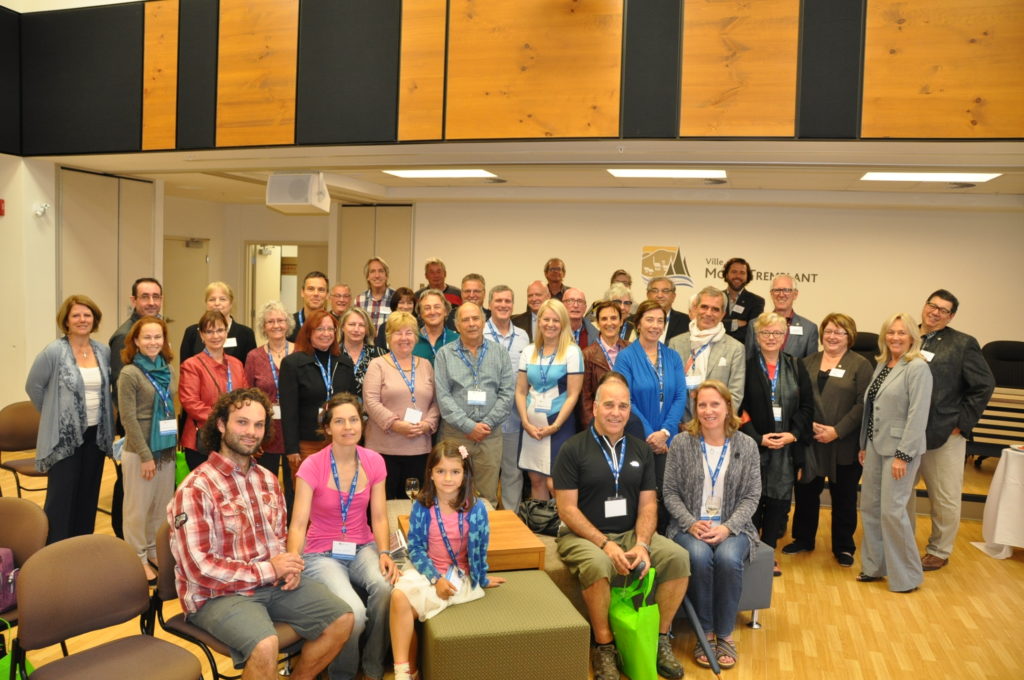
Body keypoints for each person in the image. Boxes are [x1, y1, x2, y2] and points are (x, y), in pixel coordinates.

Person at [169, 388, 353, 679]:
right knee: (266, 645)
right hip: (216, 595)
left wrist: (290, 567)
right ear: (220, 425)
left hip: (273, 584)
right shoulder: (196, 488)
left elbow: (279, 538)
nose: (251, 432)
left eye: (258, 425)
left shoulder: (267, 479)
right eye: (242, 422)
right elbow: (199, 568)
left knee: (342, 618)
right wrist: (269, 569)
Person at [553, 373, 688, 680]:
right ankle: (604, 647)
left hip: (629, 533)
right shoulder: (573, 449)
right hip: (581, 536)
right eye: (609, 405)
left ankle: (659, 639)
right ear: (595, 407)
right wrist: (604, 543)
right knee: (600, 565)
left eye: (623, 406)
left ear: (630, 411)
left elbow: (648, 505)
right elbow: (567, 509)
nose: (616, 412)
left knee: (678, 558)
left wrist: (641, 543)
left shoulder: (640, 449)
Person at [287, 393, 399, 680]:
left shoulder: (374, 461)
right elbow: (298, 524)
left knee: (386, 588)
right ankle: (343, 674)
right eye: (339, 421)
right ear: (328, 428)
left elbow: (378, 517)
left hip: (362, 546)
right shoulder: (312, 466)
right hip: (321, 553)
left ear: (362, 423)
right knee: (354, 613)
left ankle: (373, 667)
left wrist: (384, 552)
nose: (348, 427)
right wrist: (293, 562)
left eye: (353, 419)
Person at [663, 380, 761, 671]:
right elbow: (669, 492)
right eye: (702, 405)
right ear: (695, 410)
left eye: (715, 404)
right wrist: (691, 523)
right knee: (699, 555)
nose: (708, 410)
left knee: (729, 557)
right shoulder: (682, 443)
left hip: (734, 526)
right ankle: (705, 633)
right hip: (689, 525)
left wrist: (728, 528)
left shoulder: (747, 445)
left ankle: (725, 634)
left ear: (728, 407)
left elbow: (752, 495)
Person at [389, 441, 506, 680]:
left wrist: (481, 578)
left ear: (465, 475)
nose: (448, 478)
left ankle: (408, 671)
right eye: (440, 471)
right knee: (399, 597)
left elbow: (481, 548)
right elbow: (417, 549)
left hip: (459, 578)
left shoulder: (477, 508)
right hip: (427, 571)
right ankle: (404, 671)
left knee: (404, 606)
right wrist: (435, 578)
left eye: (455, 471)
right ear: (430, 474)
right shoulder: (423, 506)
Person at [915, 289, 995, 571]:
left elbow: (984, 385)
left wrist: (962, 423)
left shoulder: (963, 344)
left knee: (945, 497)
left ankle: (939, 549)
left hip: (944, 434)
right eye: (932, 305)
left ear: (951, 317)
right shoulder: (908, 337)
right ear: (924, 306)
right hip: (907, 433)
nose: (935, 312)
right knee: (900, 494)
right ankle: (901, 540)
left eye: (944, 310)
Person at [784, 313, 872, 566]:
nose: (832, 336)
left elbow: (862, 404)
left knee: (844, 497)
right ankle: (803, 538)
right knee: (805, 493)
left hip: (843, 442)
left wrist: (837, 430)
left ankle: (844, 546)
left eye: (839, 332)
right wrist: (806, 424)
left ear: (850, 336)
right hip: (810, 441)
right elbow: (795, 398)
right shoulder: (807, 362)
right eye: (829, 331)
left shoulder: (860, 365)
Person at [26, 294, 114, 544]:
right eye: (76, 315)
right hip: (63, 438)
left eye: (87, 315)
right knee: (61, 501)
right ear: (66, 321)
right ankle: (54, 555)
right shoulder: (54, 351)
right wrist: (54, 415)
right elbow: (33, 386)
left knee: (88, 495)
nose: (82, 319)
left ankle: (80, 550)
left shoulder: (102, 351)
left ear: (94, 319)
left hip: (96, 435)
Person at [857, 313, 933, 593]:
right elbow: (871, 406)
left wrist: (904, 454)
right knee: (871, 508)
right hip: (876, 446)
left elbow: (918, 415)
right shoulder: (883, 364)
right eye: (891, 332)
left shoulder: (917, 367)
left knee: (893, 512)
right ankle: (874, 567)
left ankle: (908, 577)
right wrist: (864, 445)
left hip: (900, 450)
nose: (895, 337)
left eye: (902, 333)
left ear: (912, 336)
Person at [739, 312, 813, 574]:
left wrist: (792, 434)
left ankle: (767, 553)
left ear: (784, 338)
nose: (771, 338)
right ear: (757, 337)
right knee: (752, 500)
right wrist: (757, 437)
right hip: (752, 445)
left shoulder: (796, 365)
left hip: (786, 447)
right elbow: (738, 406)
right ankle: (748, 550)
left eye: (777, 333)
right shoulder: (745, 366)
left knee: (778, 500)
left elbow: (806, 406)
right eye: (765, 333)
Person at [434, 302, 515, 508]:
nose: (471, 324)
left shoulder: (500, 353)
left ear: (483, 321)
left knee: (487, 496)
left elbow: (507, 394)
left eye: (475, 318)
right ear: (457, 325)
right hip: (455, 435)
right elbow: (443, 398)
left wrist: (485, 425)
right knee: (451, 492)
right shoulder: (444, 354)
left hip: (490, 436)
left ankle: (484, 539)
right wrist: (470, 426)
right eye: (465, 319)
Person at [615, 300, 687, 530]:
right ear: (638, 323)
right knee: (640, 495)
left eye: (660, 320)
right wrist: (651, 435)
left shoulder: (673, 357)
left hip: (669, 440)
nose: (655, 325)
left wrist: (665, 432)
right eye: (650, 319)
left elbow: (679, 396)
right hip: (637, 438)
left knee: (668, 494)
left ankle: (664, 545)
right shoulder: (625, 357)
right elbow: (626, 399)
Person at [117, 315, 177, 582]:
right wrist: (145, 456)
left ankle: (153, 550)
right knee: (137, 509)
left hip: (165, 449)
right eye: (147, 337)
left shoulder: (168, 369)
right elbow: (128, 419)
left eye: (157, 337)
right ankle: (137, 557)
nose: (153, 342)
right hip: (140, 451)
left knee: (160, 507)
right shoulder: (130, 373)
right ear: (136, 341)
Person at [364, 311, 441, 499]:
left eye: (409, 332)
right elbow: (370, 401)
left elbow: (436, 401)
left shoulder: (426, 365)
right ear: (389, 337)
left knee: (415, 503)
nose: (404, 338)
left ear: (416, 337)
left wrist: (428, 424)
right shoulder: (377, 365)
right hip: (384, 449)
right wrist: (395, 424)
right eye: (398, 333)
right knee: (384, 501)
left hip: (420, 448)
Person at [109, 276, 163, 539]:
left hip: (157, 431)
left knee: (152, 500)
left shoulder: (156, 330)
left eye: (156, 296)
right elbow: (125, 400)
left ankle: (149, 549)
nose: (151, 302)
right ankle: (126, 546)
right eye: (145, 297)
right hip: (137, 432)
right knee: (131, 494)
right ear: (134, 300)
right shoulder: (123, 336)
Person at [516, 299, 584, 499]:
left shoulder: (573, 352)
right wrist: (525, 423)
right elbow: (520, 391)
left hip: (559, 425)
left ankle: (560, 528)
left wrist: (555, 426)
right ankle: (539, 526)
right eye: (546, 319)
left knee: (555, 483)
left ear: (563, 323)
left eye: (556, 320)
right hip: (531, 425)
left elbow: (573, 394)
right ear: (539, 322)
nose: (550, 324)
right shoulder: (529, 351)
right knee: (536, 480)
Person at [280, 310, 357, 481]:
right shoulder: (292, 364)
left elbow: (353, 403)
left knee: (338, 491)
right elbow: (289, 410)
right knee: (308, 494)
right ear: (309, 332)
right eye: (320, 329)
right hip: (307, 444)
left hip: (340, 441)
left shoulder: (344, 362)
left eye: (331, 329)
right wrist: (292, 448)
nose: (326, 334)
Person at [179, 310, 249, 471]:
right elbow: (191, 403)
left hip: (234, 439)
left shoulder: (236, 364)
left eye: (219, 330)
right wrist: (223, 422)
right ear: (202, 336)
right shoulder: (191, 365)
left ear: (226, 332)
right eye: (209, 331)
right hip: (203, 441)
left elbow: (245, 398)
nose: (215, 336)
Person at [244, 301, 296, 505]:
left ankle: (293, 531)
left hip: (294, 430)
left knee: (295, 487)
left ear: (288, 324)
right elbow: (247, 395)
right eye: (270, 321)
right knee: (265, 488)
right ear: (263, 327)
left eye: (280, 320)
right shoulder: (254, 356)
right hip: (266, 432)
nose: (276, 325)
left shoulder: (300, 352)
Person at [669, 287, 746, 421]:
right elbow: (671, 388)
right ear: (695, 308)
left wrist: (716, 422)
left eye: (715, 309)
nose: (708, 313)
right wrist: (680, 421)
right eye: (704, 307)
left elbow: (735, 394)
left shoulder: (735, 348)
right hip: (681, 424)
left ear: (723, 314)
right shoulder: (676, 343)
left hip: (717, 426)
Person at [486, 285, 531, 510]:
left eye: (508, 301)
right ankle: (485, 519)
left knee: (513, 471)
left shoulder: (523, 336)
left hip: (514, 417)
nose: (503, 305)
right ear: (489, 304)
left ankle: (513, 519)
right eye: (498, 301)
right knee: (486, 472)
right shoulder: (480, 333)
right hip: (486, 418)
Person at [179, 281, 257, 364]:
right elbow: (184, 367)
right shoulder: (192, 332)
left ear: (231, 303)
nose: (217, 303)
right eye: (212, 299)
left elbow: (251, 369)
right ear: (206, 303)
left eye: (222, 299)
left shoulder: (246, 334)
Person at [580, 300, 628, 430]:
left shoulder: (632, 350)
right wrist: (594, 428)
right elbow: (585, 399)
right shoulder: (587, 355)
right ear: (598, 323)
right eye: (604, 319)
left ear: (621, 321)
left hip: (628, 421)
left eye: (613, 318)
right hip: (599, 424)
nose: (609, 323)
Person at [744, 275, 817, 359]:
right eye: (777, 290)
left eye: (786, 290)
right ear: (771, 294)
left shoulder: (809, 329)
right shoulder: (754, 324)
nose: (781, 294)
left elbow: (811, 366)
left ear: (795, 294)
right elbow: (748, 361)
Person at [339, 307, 387, 394]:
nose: (356, 329)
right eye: (352, 324)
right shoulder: (333, 354)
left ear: (367, 330)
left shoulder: (380, 355)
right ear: (342, 327)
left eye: (361, 325)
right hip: (338, 406)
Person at [720, 258, 764, 344]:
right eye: (734, 272)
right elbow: (709, 324)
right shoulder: (716, 298)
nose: (738, 276)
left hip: (742, 353)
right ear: (726, 275)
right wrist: (734, 323)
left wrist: (721, 324)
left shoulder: (756, 301)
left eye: (742, 273)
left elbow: (751, 332)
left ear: (747, 277)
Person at [413, 289, 459, 364]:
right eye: (427, 308)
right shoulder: (411, 340)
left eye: (437, 307)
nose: (432, 312)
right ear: (420, 313)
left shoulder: (457, 340)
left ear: (446, 311)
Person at [645, 276, 689, 343]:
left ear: (673, 296)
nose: (660, 295)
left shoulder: (686, 321)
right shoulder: (634, 321)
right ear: (648, 295)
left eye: (665, 291)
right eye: (655, 291)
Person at [356, 257, 395, 332]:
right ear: (367, 276)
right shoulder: (359, 300)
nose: (377, 275)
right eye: (372, 271)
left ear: (386, 276)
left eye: (381, 271)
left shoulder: (396, 298)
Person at [290, 271, 330, 342]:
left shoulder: (334, 324)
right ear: (302, 292)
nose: (316, 294)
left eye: (321, 290)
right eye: (311, 289)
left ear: (327, 295)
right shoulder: (289, 324)